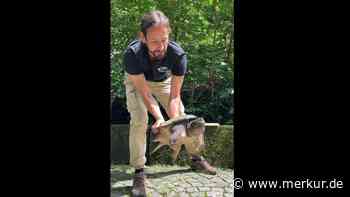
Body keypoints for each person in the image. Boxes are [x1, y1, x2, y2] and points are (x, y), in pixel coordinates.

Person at [122, 10, 216, 196]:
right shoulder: (132, 54)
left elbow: (174, 95)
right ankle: (139, 171)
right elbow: (145, 93)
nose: (161, 46)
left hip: (163, 82)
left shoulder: (178, 55)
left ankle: (196, 157)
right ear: (143, 37)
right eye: (155, 41)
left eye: (164, 39)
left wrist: (175, 123)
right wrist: (158, 118)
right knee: (140, 119)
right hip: (138, 82)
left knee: (184, 118)